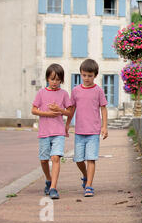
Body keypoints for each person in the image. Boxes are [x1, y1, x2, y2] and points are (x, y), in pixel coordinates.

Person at [66, 59, 108, 197]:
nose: (87, 78)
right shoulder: (76, 91)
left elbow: (103, 109)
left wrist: (104, 127)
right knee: (78, 159)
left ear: (95, 75)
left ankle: (89, 185)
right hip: (79, 131)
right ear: (80, 74)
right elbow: (71, 109)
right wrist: (67, 125)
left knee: (91, 158)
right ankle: (85, 175)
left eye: (90, 76)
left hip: (93, 132)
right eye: (84, 75)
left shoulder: (98, 91)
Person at [32, 64, 73, 200]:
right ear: (47, 79)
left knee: (55, 158)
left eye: (58, 80)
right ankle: (48, 180)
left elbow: (70, 112)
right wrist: (47, 113)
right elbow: (33, 109)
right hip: (44, 132)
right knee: (44, 160)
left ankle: (53, 188)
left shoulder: (64, 94)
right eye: (52, 79)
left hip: (58, 132)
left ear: (61, 80)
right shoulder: (41, 93)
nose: (55, 82)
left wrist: (60, 110)